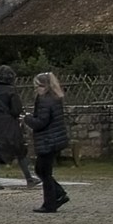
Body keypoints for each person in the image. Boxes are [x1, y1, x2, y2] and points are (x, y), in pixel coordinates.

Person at [0, 63, 33, 191]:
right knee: (18, 149)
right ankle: (29, 178)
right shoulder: (11, 91)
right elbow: (17, 110)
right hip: (9, 123)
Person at [31, 70, 71, 213]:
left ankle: (50, 203)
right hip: (54, 138)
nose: (36, 89)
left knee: (44, 172)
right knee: (41, 170)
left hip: (48, 140)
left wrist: (27, 119)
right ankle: (58, 194)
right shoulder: (54, 97)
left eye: (38, 86)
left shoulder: (45, 100)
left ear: (44, 86)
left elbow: (41, 122)